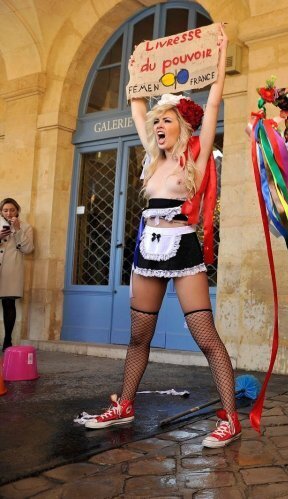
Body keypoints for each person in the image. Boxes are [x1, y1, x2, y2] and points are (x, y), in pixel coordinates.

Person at [85, 26, 240, 448]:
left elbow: (213, 103)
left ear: (181, 127)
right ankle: (125, 404)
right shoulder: (152, 159)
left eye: (166, 119)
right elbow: (137, 107)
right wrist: (136, 69)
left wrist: (220, 56)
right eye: (157, 121)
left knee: (205, 337)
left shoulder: (196, 157)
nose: (158, 125)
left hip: (182, 246)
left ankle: (230, 417)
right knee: (139, 336)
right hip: (147, 249)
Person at [0, 198, 34, 351]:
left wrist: (18, 230)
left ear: (17, 211)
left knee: (9, 303)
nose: (9, 213)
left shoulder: (26, 227)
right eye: (5, 210)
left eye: (12, 210)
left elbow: (28, 249)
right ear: (1, 211)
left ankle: (7, 340)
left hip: (11, 269)